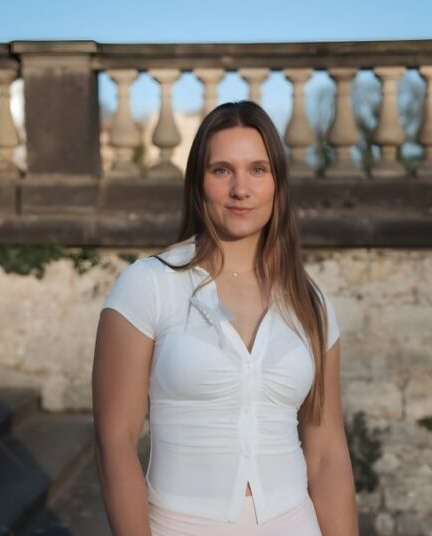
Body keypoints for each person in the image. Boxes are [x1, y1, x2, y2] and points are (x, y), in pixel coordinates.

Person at [92, 101, 358, 535]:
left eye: (258, 170)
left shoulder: (312, 304)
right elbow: (114, 441)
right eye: (221, 170)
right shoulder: (148, 285)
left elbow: (328, 453)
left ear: (278, 182)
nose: (241, 189)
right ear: (198, 182)